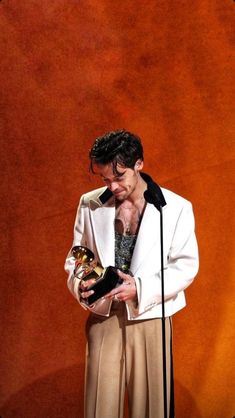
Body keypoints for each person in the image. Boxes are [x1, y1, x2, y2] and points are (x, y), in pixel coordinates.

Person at [65, 129, 199, 418]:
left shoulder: (176, 208)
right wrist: (82, 284)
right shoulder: (89, 204)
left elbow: (185, 266)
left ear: (139, 164)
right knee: (100, 406)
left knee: (152, 406)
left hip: (151, 315)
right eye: (105, 179)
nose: (112, 186)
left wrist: (139, 288)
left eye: (119, 176)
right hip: (104, 315)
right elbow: (76, 257)